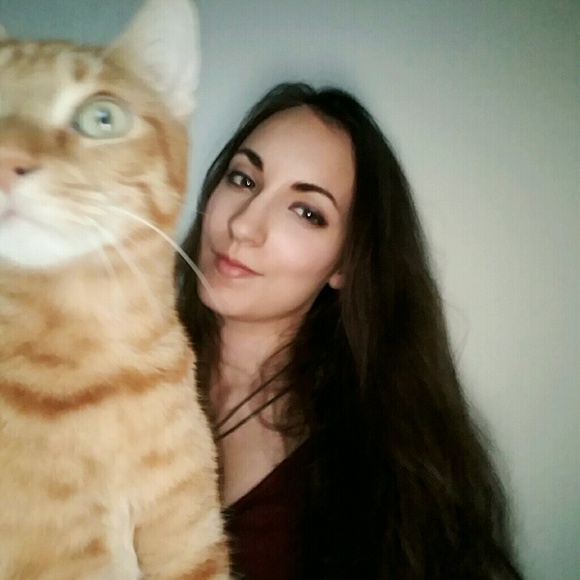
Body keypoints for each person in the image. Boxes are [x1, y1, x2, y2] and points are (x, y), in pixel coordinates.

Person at [177, 82, 523, 579]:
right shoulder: (107, 361)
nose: (244, 226)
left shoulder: (380, 463)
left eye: (307, 212)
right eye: (244, 179)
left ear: (344, 263)